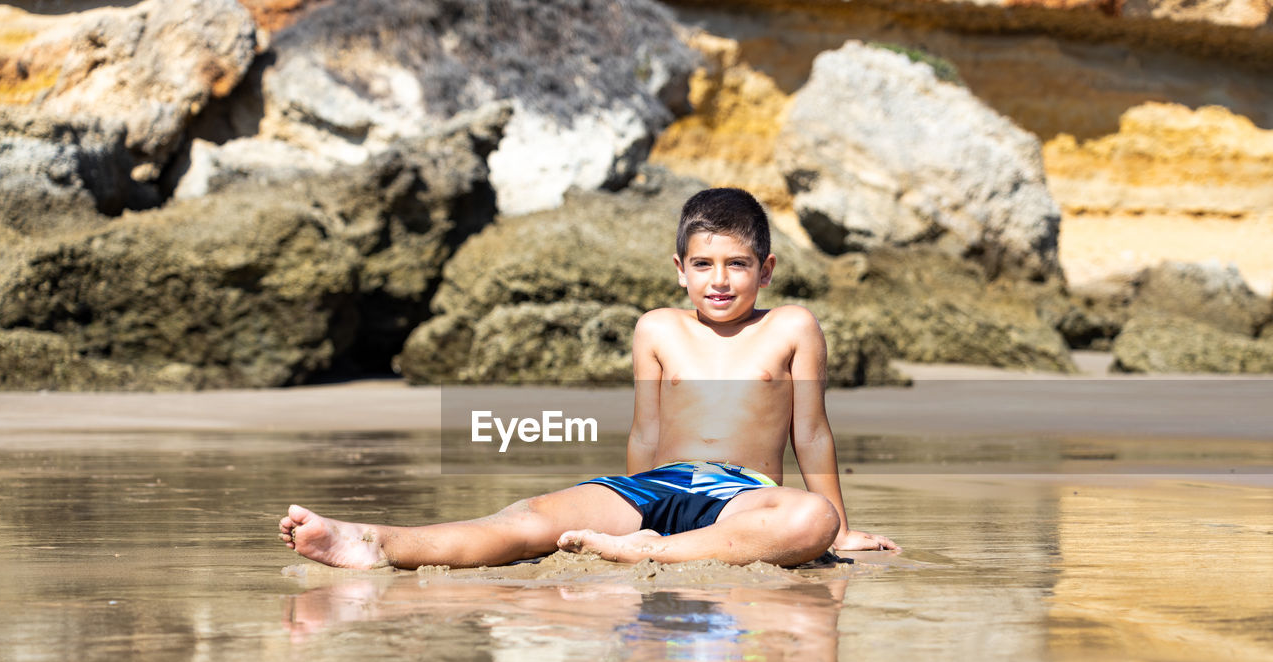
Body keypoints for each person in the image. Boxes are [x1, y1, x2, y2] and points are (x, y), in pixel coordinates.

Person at [279, 187, 899, 569]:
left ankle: (651, 553)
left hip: (744, 496)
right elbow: (646, 432)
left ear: (765, 269)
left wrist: (840, 529)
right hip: (656, 487)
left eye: (737, 265)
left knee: (809, 521)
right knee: (526, 518)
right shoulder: (657, 329)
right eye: (704, 264)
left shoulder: (791, 326)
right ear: (679, 269)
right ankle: (373, 541)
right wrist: (630, 508)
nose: (720, 280)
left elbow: (812, 435)